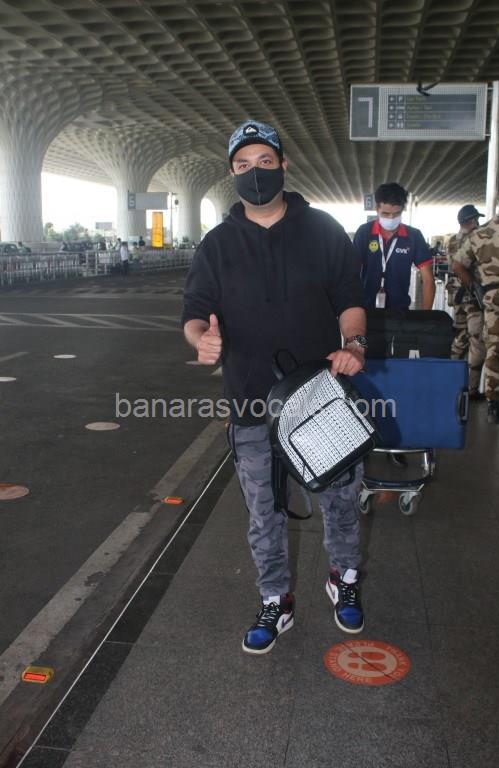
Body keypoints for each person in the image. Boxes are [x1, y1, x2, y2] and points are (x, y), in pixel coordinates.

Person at [182, 119, 367, 655]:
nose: (255, 172)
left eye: (265, 161)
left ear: (284, 165)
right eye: (243, 165)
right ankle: (274, 599)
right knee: (264, 512)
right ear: (231, 173)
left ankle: (344, 576)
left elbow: (350, 298)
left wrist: (354, 344)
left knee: (339, 499)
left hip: (319, 399)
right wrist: (201, 340)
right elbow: (194, 312)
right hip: (250, 403)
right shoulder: (217, 245)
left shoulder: (323, 231)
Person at [453, 195, 499, 424]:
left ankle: (493, 403)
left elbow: (457, 264)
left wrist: (475, 287)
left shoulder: (480, 233)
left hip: (492, 298)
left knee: (494, 348)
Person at [353, 182, 435, 310]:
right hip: (366, 309)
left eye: (397, 214)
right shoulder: (364, 233)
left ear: (402, 209)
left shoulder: (413, 236)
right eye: (385, 213)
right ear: (377, 209)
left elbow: (428, 280)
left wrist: (425, 317)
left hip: (400, 311)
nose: (391, 218)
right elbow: (351, 273)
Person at [445, 205, 486, 398]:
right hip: (472, 296)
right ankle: (472, 388)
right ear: (470, 221)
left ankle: (449, 374)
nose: (477, 223)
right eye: (476, 220)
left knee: (460, 334)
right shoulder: (475, 239)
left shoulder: (452, 240)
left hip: (457, 296)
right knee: (477, 340)